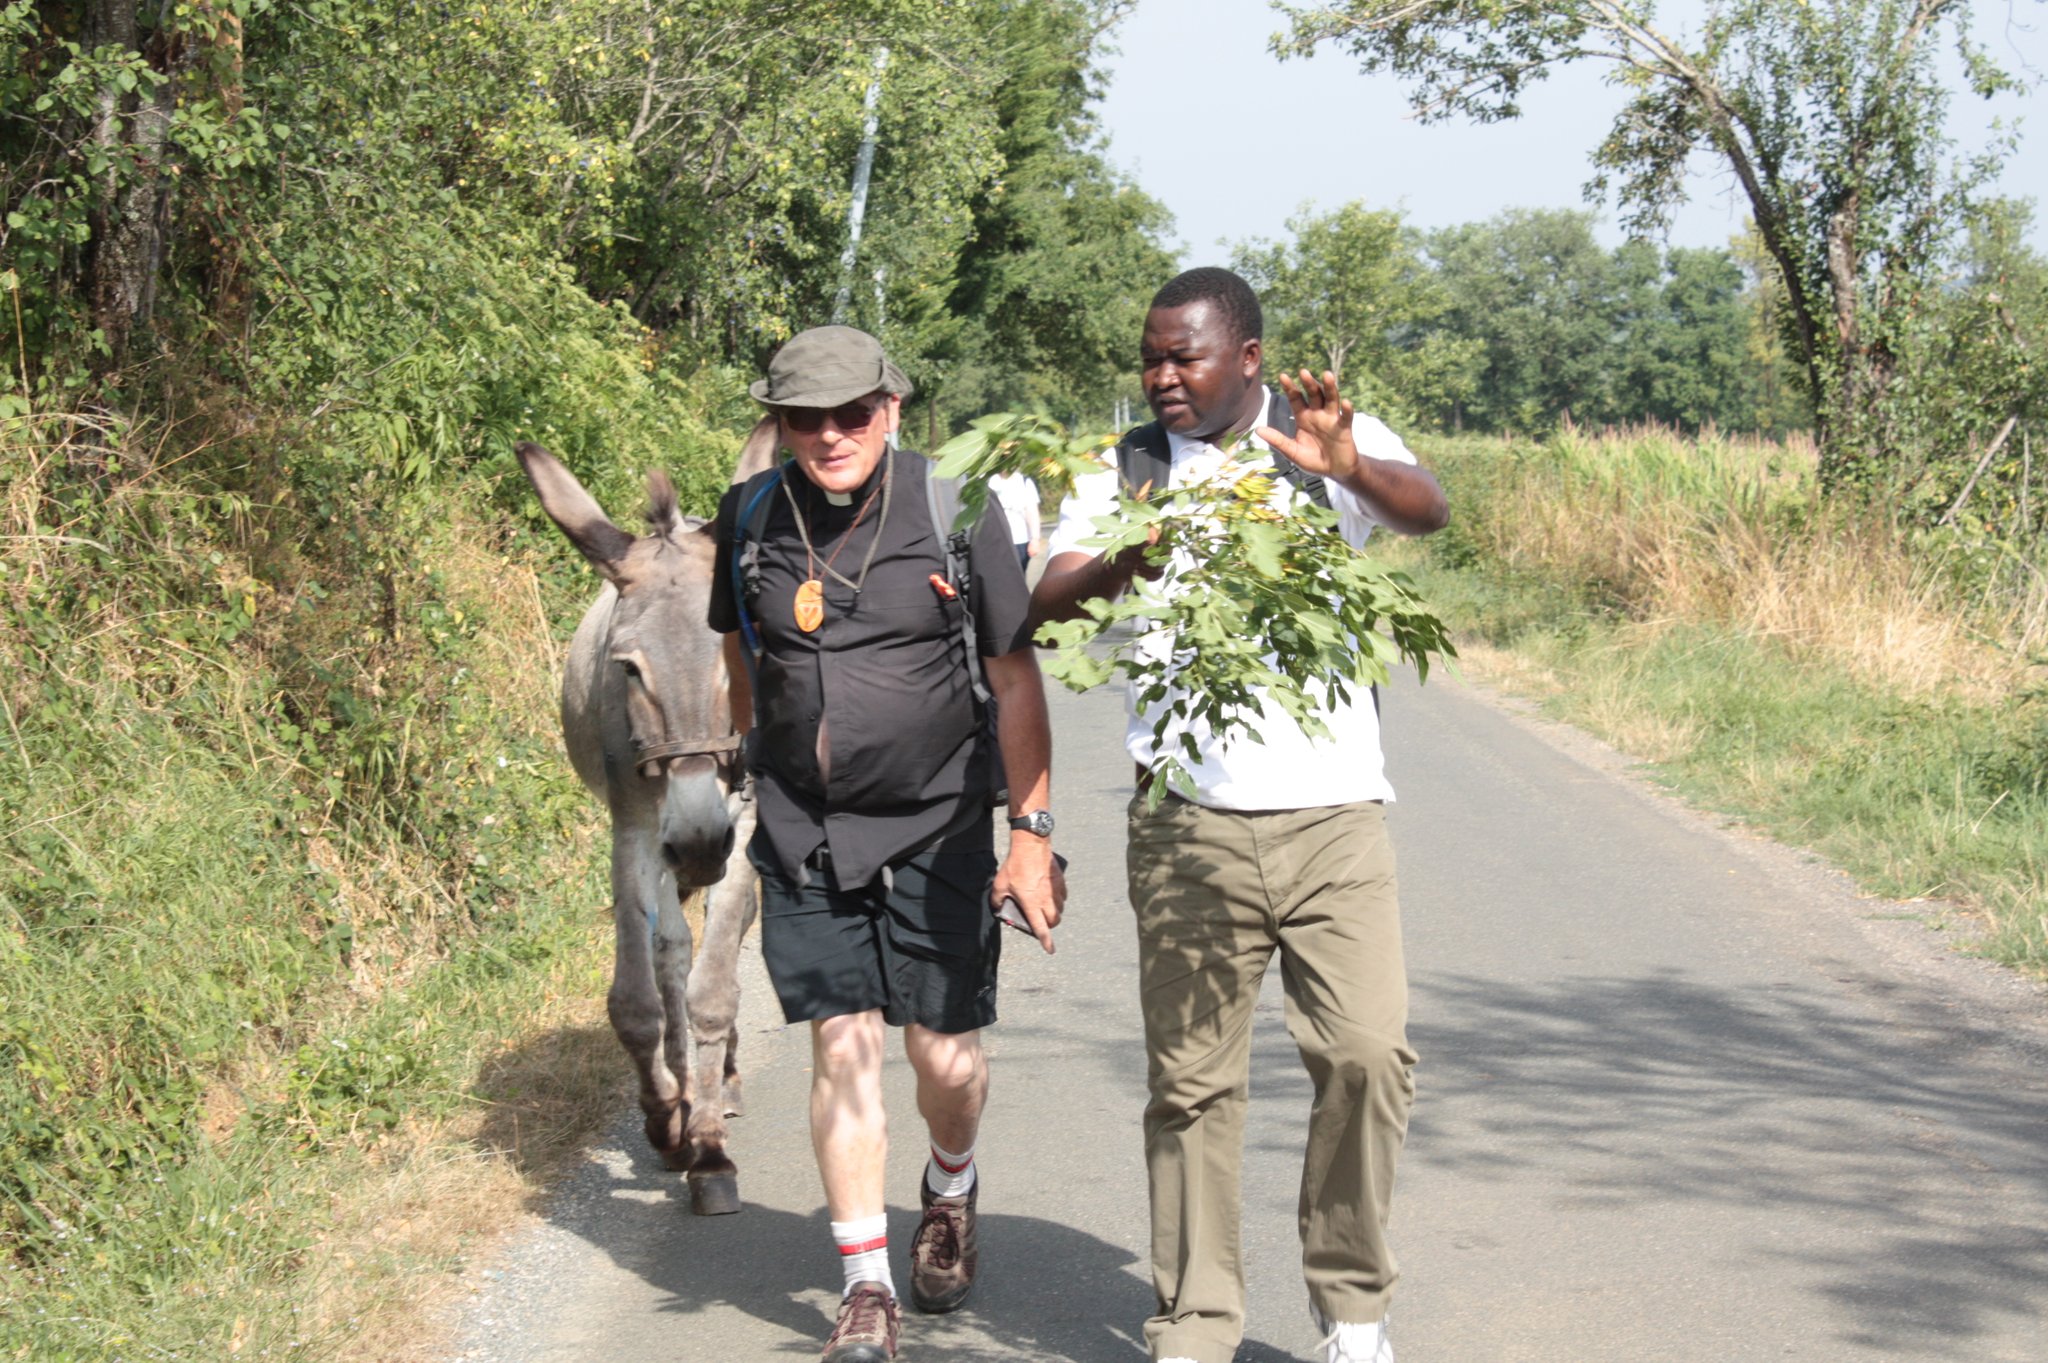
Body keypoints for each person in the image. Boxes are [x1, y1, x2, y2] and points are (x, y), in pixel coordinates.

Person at [1028, 269, 1449, 1363]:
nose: (1163, 378)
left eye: (1186, 358)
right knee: (1189, 1084)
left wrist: (1351, 466)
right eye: (1151, 359)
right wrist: (1136, 547)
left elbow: (1426, 508)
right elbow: (1046, 595)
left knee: (1366, 1055)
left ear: (1247, 358)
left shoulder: (1314, 440)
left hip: (1333, 820)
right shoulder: (1124, 468)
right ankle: (1195, 1320)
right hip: (1184, 825)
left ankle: (1351, 1306)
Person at [711, 325, 1066, 1363]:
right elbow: (740, 650)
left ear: (892, 409)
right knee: (844, 1044)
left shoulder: (957, 511)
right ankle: (866, 1284)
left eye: (850, 414)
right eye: (801, 418)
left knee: (944, 1058)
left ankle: (949, 1181)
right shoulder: (748, 517)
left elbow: (1012, 679)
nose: (828, 435)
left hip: (942, 824)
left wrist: (1029, 834)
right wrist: (748, 765)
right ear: (776, 425)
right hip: (807, 830)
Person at [985, 469, 1044, 573]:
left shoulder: (1024, 481)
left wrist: (1035, 539)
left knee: (1019, 575)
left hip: (1019, 540)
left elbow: (1032, 512)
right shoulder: (989, 481)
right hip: (996, 540)